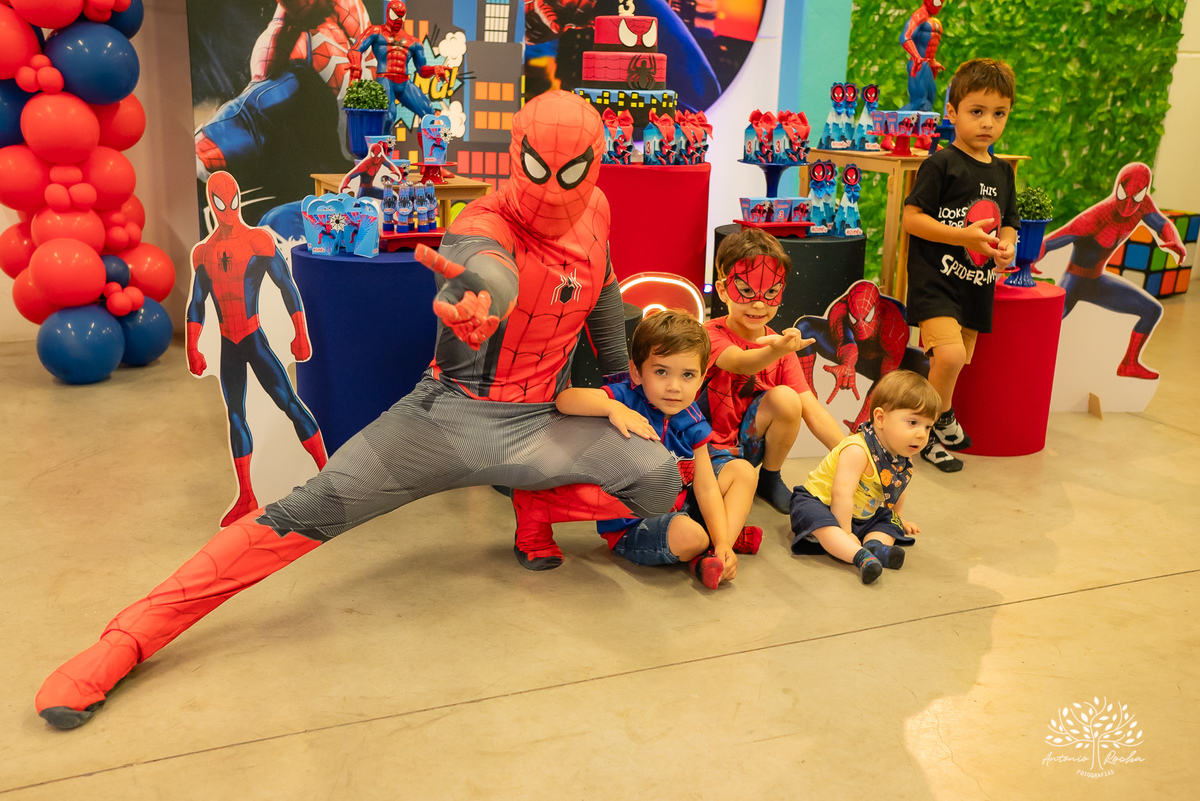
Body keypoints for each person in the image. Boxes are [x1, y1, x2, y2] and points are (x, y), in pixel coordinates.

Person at [35, 91, 682, 731]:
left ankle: (543, 506)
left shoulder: (596, 208)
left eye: (571, 173)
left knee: (658, 478)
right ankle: (128, 635)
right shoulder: (482, 221)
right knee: (303, 510)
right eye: (539, 168)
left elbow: (602, 285)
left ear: (594, 165)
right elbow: (485, 265)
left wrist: (621, 384)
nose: (554, 190)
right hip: (443, 422)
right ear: (516, 156)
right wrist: (482, 296)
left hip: (541, 421)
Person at [512, 310, 760, 588]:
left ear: (702, 378)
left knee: (743, 471)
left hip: (679, 503)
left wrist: (724, 542)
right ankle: (708, 545)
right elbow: (565, 400)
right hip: (633, 525)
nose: (674, 387)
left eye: (688, 375)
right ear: (637, 371)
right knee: (693, 537)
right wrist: (612, 408)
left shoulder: (691, 418)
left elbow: (705, 487)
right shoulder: (626, 396)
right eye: (661, 372)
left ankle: (719, 552)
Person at [901, 58, 1019, 473]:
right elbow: (911, 219)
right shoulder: (941, 164)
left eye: (998, 114)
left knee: (956, 360)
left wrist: (1006, 248)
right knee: (948, 357)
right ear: (951, 114)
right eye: (977, 111)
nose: (988, 123)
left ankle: (941, 414)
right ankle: (931, 428)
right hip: (936, 283)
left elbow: (1010, 224)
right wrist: (962, 236)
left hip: (975, 283)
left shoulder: (1004, 172)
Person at [702, 228, 845, 515]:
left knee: (787, 398)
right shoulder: (708, 334)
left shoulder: (780, 348)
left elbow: (810, 409)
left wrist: (854, 452)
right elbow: (741, 362)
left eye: (770, 293)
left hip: (746, 445)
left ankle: (769, 477)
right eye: (745, 291)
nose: (758, 304)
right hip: (705, 450)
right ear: (721, 289)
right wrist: (778, 350)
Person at [789, 370, 938, 585]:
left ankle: (875, 546)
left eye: (928, 426)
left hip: (863, 512)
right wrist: (846, 531)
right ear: (880, 418)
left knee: (887, 521)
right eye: (912, 422)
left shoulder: (903, 457)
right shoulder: (858, 450)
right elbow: (841, 493)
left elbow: (898, 488)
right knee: (818, 519)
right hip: (823, 503)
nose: (922, 434)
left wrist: (898, 517)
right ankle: (859, 556)